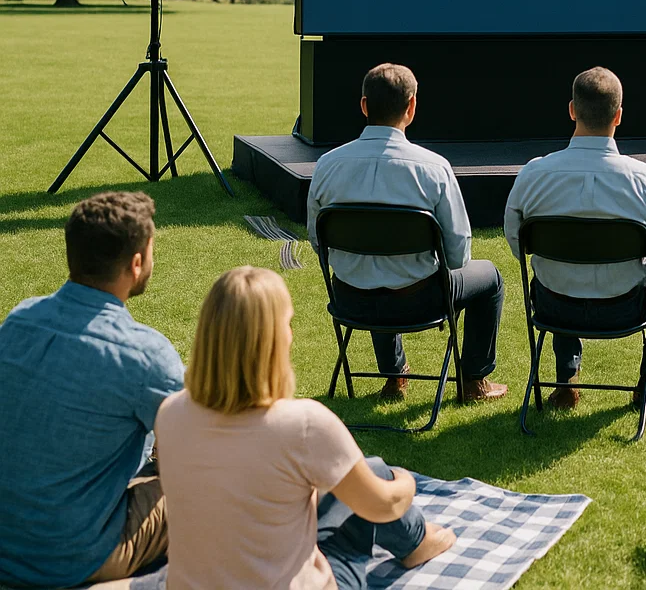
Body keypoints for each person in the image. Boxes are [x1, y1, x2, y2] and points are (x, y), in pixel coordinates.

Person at [156, 267, 456, 589]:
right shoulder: (304, 426)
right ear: (272, 340)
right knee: (378, 473)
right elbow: (384, 504)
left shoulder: (170, 413)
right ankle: (418, 543)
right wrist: (405, 481)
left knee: (350, 480)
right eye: (288, 323)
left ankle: (414, 538)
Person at [0, 192, 182, 589]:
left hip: (9, 542)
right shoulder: (146, 354)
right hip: (70, 558)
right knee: (202, 482)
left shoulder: (18, 321)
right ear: (137, 263)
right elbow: (202, 448)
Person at [308, 62, 507, 401]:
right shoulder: (433, 168)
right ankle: (474, 380)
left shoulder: (328, 164)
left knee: (372, 263)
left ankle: (394, 375)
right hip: (421, 301)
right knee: (490, 278)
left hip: (351, 298)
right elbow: (458, 255)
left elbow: (318, 242)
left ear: (364, 105)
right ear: (412, 106)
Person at [506, 66, 646, 407]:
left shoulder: (534, 175)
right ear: (618, 116)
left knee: (558, 271)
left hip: (553, 305)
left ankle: (565, 381)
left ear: (572, 110)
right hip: (626, 308)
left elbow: (517, 244)